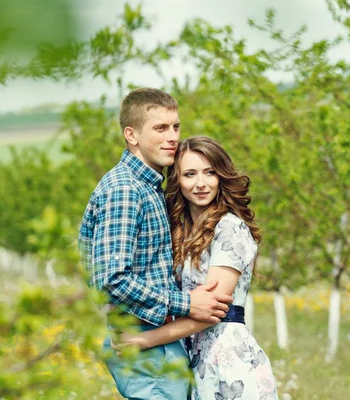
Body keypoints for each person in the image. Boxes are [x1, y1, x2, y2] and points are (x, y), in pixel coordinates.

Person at [78, 88, 233, 400]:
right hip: (144, 336)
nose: (172, 137)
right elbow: (111, 280)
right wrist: (187, 304)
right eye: (160, 128)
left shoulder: (149, 188)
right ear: (131, 135)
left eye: (175, 127)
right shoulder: (125, 190)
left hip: (155, 338)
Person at [117, 136, 278, 399]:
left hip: (229, 362)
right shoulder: (182, 231)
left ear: (221, 176)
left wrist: (144, 340)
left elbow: (211, 310)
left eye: (210, 173)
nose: (201, 184)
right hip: (196, 359)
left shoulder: (230, 228)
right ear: (177, 181)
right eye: (190, 174)